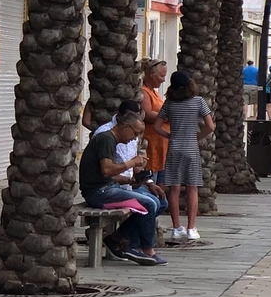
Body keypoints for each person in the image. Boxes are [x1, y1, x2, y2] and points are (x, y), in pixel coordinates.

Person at [78, 111, 167, 266]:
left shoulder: (110, 140)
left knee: (159, 202)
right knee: (148, 204)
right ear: (125, 127)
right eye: (135, 133)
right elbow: (107, 170)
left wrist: (130, 180)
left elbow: (104, 173)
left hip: (106, 187)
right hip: (99, 193)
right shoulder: (106, 139)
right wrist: (131, 163)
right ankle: (146, 250)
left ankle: (117, 239)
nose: (135, 137)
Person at [161, 71, 213, 243]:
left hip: (174, 148)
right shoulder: (198, 102)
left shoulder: (169, 103)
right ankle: (191, 228)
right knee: (192, 188)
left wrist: (169, 135)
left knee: (174, 188)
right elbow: (210, 126)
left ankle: (176, 228)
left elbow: (156, 126)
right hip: (191, 148)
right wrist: (198, 136)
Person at [139, 59, 169, 177]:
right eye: (162, 76)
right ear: (152, 74)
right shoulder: (144, 91)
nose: (163, 79)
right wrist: (167, 117)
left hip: (161, 144)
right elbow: (147, 113)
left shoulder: (155, 92)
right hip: (151, 144)